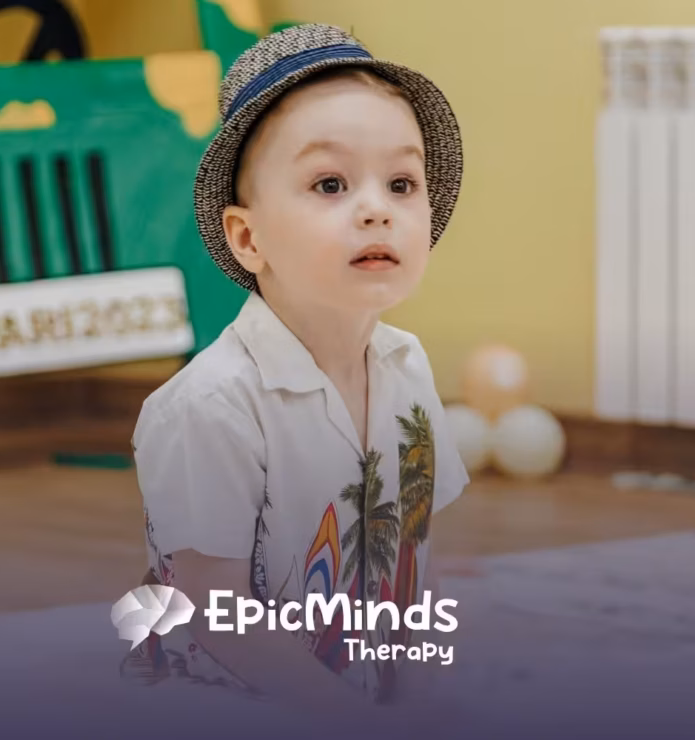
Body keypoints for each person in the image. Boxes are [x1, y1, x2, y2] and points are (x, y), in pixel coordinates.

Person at [124, 22, 468, 736]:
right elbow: (217, 613)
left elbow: (409, 563)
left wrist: (411, 695)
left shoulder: (406, 371)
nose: (377, 207)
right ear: (249, 238)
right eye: (331, 184)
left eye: (402, 183)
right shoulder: (211, 405)